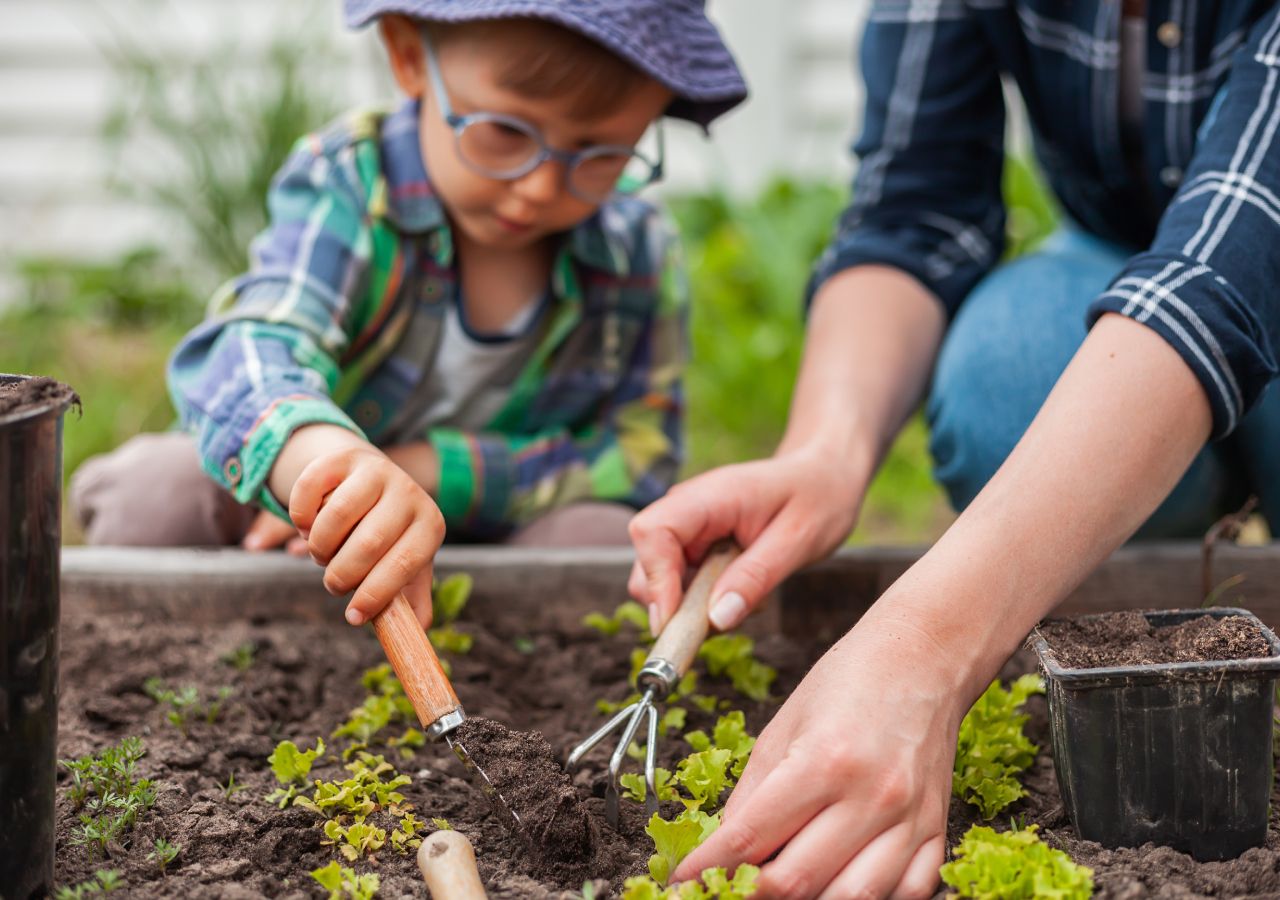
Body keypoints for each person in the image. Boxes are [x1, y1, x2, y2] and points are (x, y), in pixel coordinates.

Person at [629, 1, 1280, 896]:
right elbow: (914, 207)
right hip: (1117, 251)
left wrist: (923, 649)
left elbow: (1224, 272)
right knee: (1002, 384)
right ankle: (1164, 503)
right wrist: (826, 450)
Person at [70, 0, 745, 628]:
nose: (540, 186)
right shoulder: (351, 183)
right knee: (151, 495)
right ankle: (235, 638)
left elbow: (638, 457)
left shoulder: (637, 248)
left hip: (501, 528)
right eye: (505, 132)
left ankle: (481, 654)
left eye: (601, 155)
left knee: (605, 543)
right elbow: (253, 344)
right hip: (298, 501)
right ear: (409, 57)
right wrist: (326, 469)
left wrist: (425, 469)